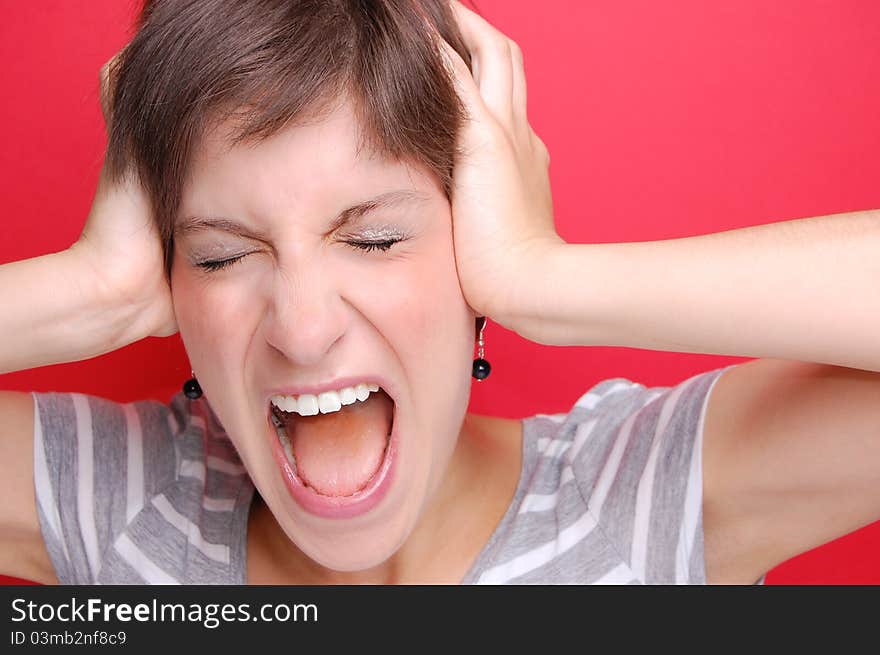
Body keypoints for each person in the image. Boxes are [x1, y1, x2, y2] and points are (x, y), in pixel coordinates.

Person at [1, 0, 878, 585]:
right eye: (224, 256)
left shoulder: (636, 498)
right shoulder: (125, 504)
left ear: (472, 242)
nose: (303, 330)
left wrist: (544, 276)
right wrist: (93, 291)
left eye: (375, 237)